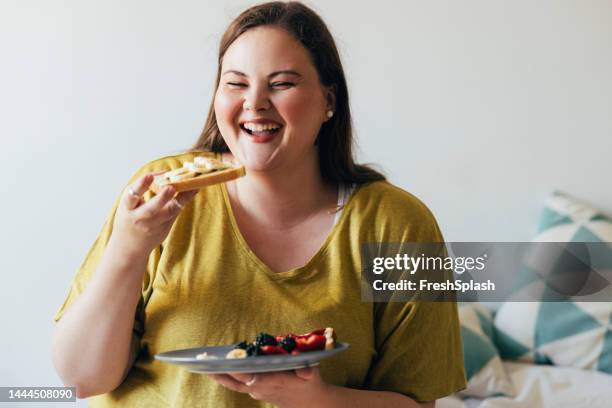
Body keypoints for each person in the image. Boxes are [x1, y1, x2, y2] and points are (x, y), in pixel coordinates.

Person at [52, 2, 466, 407]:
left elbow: (417, 402)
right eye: (235, 83)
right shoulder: (161, 194)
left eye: (282, 83)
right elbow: (82, 379)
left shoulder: (400, 226)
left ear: (329, 101)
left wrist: (320, 400)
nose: (254, 102)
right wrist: (129, 247)